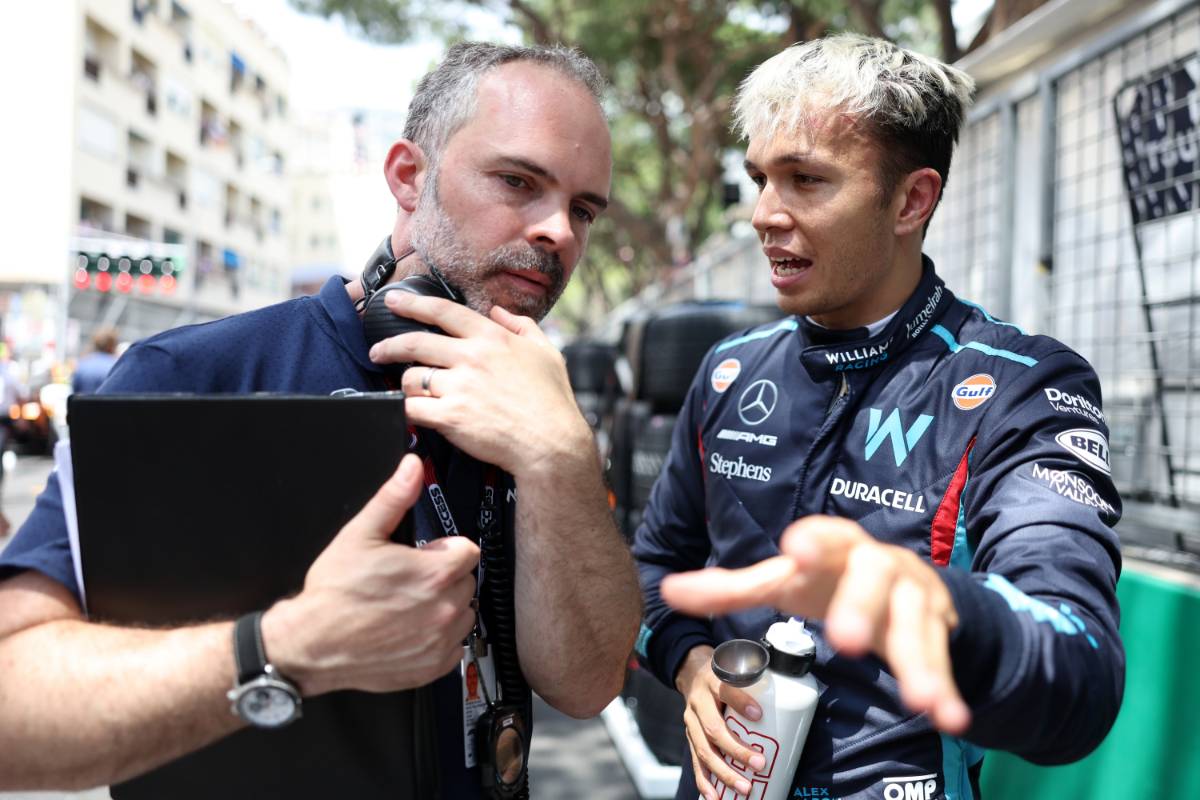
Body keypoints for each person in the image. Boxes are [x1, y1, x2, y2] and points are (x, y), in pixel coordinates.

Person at [0, 42, 640, 796]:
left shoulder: (540, 407)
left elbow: (587, 684)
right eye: (518, 181)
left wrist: (561, 456)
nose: (558, 232)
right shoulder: (197, 376)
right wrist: (290, 646)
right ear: (409, 176)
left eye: (583, 209)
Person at [631, 33, 1124, 800]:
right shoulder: (730, 369)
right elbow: (655, 566)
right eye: (760, 177)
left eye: (806, 180)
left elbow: (1081, 671)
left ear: (911, 200)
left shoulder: (1022, 387)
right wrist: (692, 663)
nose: (764, 213)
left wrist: (951, 611)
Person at [71, 327, 119, 395]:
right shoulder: (117, 366)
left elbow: (75, 391)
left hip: (84, 404)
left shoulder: (82, 364)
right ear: (113, 345)